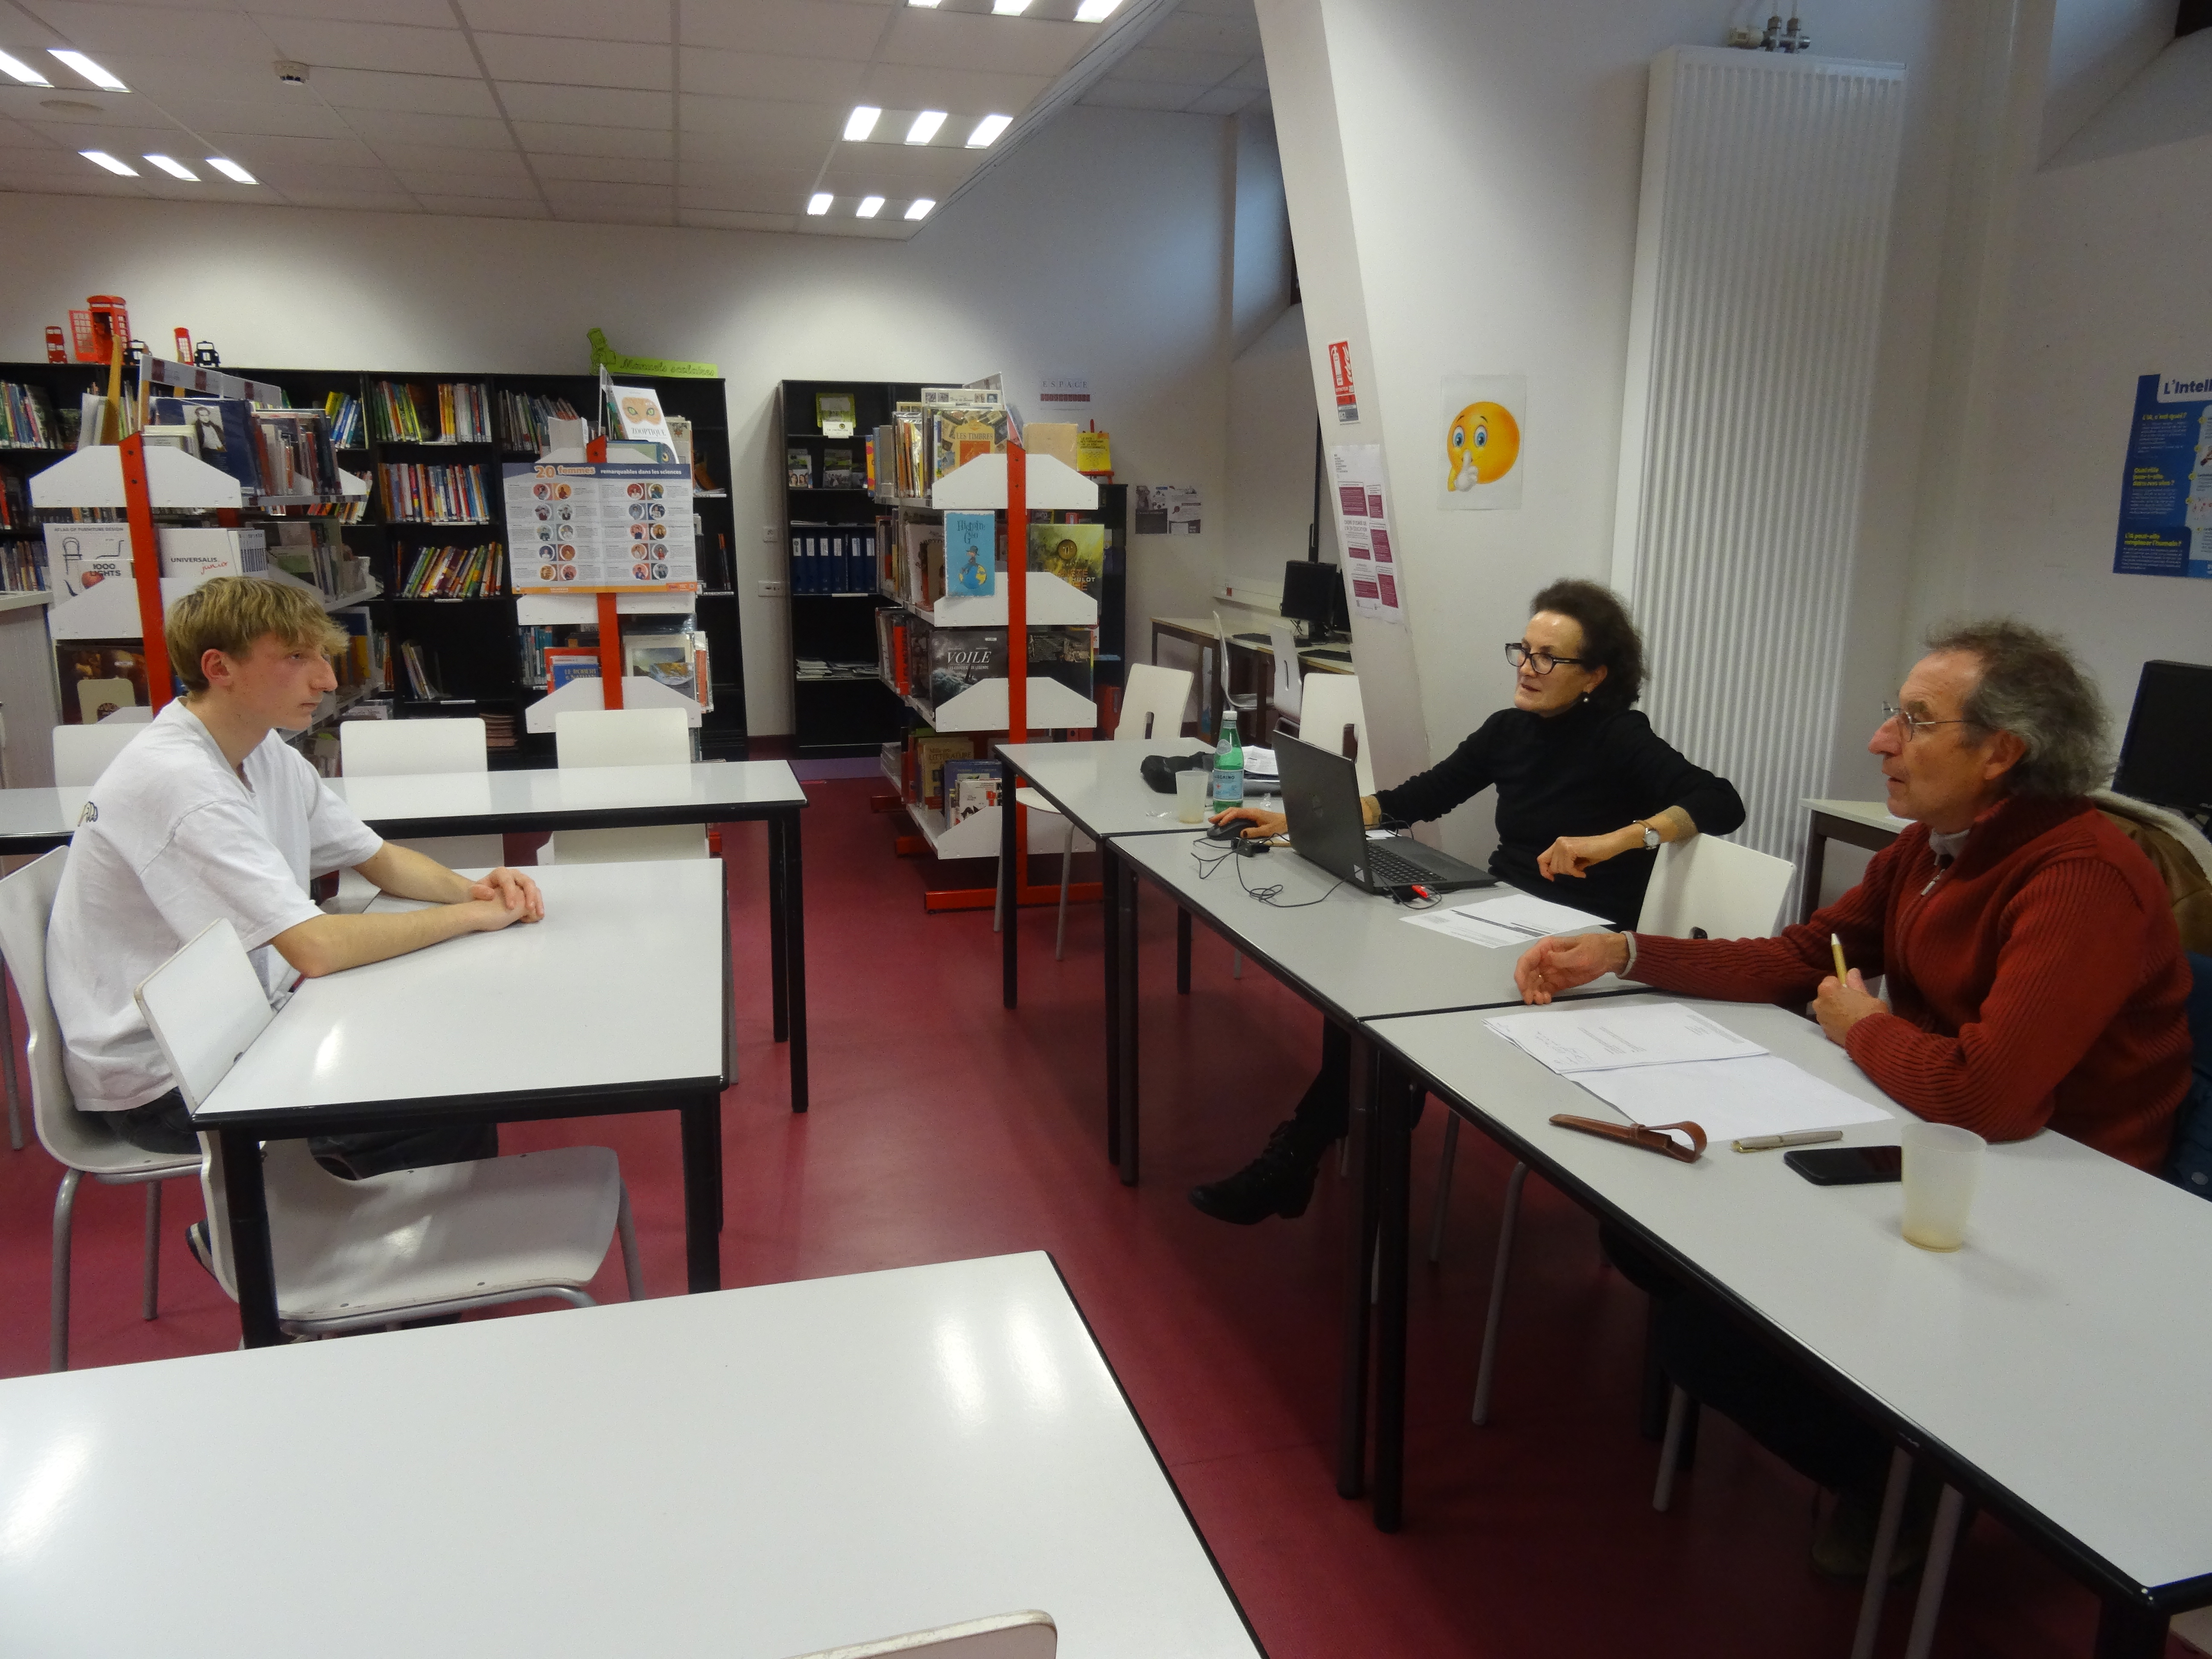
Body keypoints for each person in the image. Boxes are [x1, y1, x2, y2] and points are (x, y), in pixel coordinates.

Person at [1514, 618, 2192, 1573]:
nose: (1882, 741)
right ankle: (1874, 1417)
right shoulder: (1933, 845)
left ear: (2002, 753)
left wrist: (1862, 1027)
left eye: (1915, 721)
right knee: (1646, 1231)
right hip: (1937, 1139)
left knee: (1706, 1339)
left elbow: (1989, 1094)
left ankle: (1910, 1478)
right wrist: (1625, 952)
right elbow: (1806, 954)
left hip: (2057, 1191)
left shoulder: (2079, 876)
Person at [1189, 578, 1746, 1225]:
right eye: (1524, 651)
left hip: (1570, 945)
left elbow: (1721, 801)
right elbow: (1418, 798)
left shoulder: (1620, 737)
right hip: (1497, 911)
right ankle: (1341, 1126)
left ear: (1595, 675)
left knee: (1387, 1008)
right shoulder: (1510, 730)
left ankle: (1300, 1155)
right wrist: (1294, 819)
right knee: (1361, 992)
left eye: (1549, 658)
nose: (1528, 668)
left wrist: (1623, 837)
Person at [47, 575, 547, 1178]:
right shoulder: (182, 783)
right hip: (170, 1079)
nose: (328, 679)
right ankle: (313, 1233)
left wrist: (476, 890)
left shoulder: (261, 749)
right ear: (219, 668)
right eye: (295, 658)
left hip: (245, 1023)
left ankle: (364, 1223)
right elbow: (316, 950)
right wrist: (471, 918)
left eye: (322, 657)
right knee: (442, 1101)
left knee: (441, 1057)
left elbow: (376, 857)